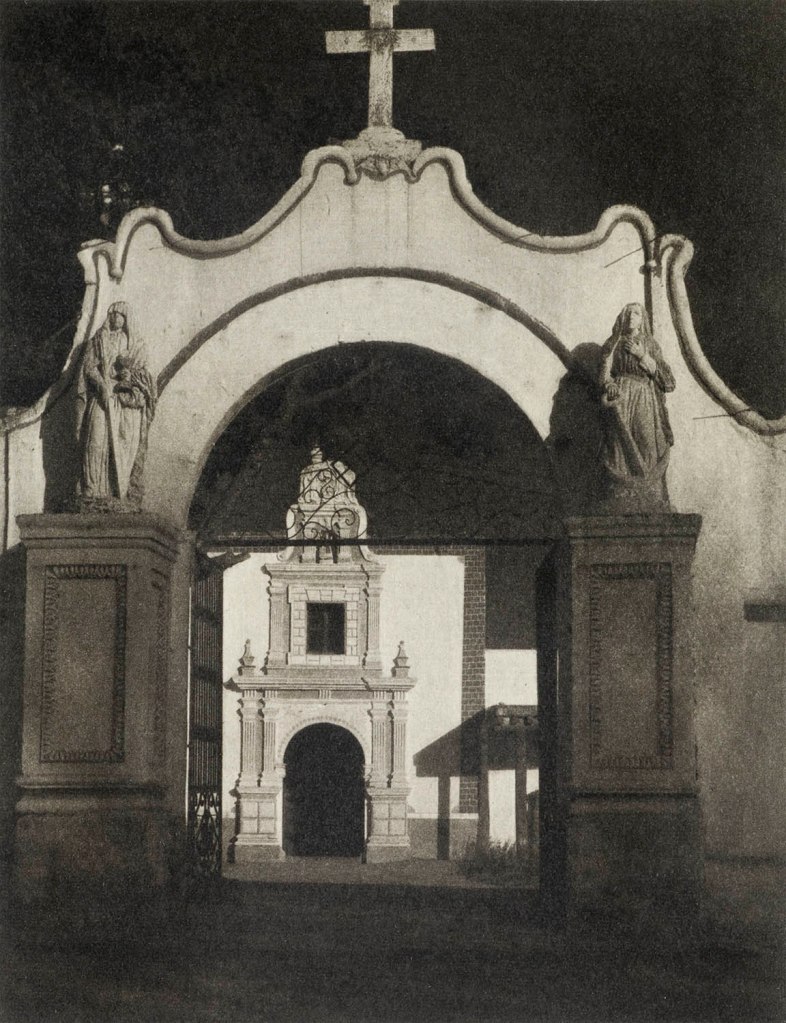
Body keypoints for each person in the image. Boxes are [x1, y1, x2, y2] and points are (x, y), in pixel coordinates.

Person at [76, 302, 156, 506]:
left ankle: (113, 491)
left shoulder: (130, 342)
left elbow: (140, 374)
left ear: (126, 319)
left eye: (120, 315)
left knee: (118, 444)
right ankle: (92, 489)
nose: (116, 318)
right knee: (95, 440)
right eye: (113, 314)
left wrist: (126, 378)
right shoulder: (98, 340)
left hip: (120, 400)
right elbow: (89, 367)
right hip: (101, 397)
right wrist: (102, 385)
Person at [598, 302, 675, 502]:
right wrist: (609, 385)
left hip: (644, 397)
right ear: (623, 318)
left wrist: (642, 356)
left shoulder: (650, 344)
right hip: (620, 398)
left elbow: (668, 381)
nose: (632, 316)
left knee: (647, 441)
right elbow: (604, 373)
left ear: (642, 320)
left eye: (636, 313)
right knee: (618, 444)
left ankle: (652, 494)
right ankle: (619, 495)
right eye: (628, 313)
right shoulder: (614, 343)